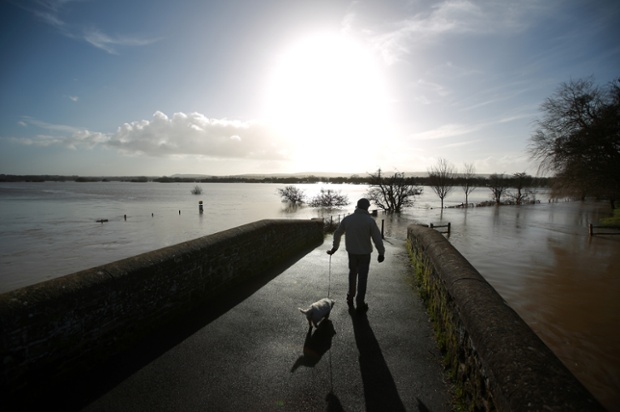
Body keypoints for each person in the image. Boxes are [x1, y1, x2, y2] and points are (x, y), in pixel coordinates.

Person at [327, 198, 385, 313]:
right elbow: (377, 238)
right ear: (367, 207)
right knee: (362, 278)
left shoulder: (348, 219)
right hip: (365, 254)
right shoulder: (369, 221)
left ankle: (350, 295)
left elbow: (337, 233)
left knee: (352, 274)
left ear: (357, 206)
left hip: (352, 253)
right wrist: (381, 252)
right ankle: (360, 302)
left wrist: (335, 248)